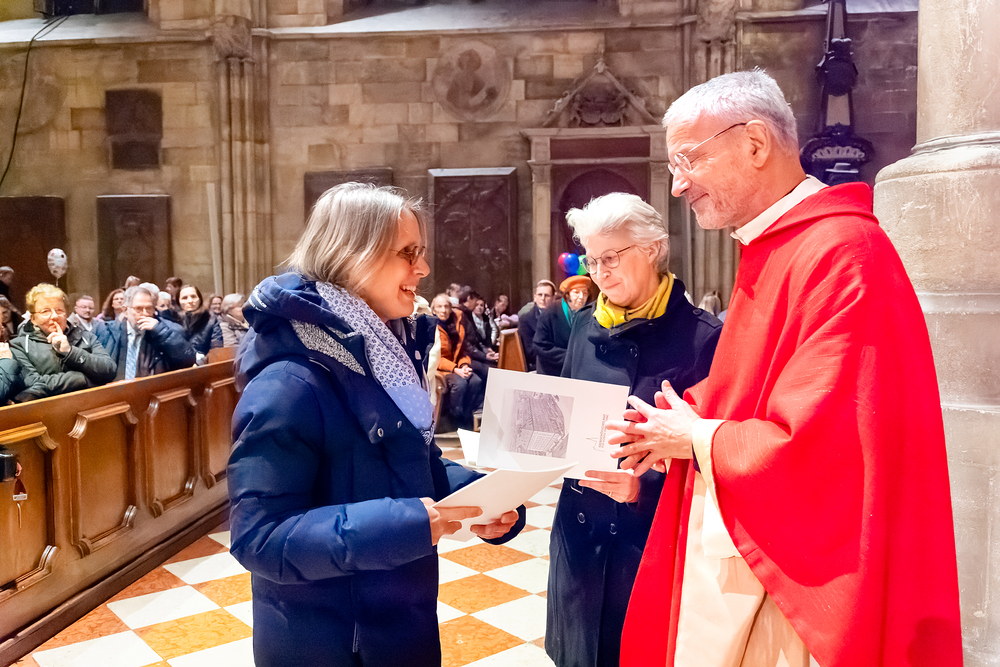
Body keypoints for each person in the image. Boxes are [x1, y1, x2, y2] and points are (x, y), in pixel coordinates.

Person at [607, 70, 961, 667]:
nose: (677, 185)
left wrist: (695, 436)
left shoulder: (842, 253)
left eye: (688, 160)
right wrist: (670, 429)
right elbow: (756, 391)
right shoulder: (778, 245)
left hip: (796, 587)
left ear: (754, 144)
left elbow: (828, 445)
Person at [228, 183, 524, 667]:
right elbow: (260, 537)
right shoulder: (289, 383)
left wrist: (482, 497)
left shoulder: (385, 357)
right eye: (408, 253)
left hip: (399, 621)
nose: (423, 269)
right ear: (352, 255)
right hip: (330, 643)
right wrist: (406, 524)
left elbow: (409, 461)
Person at [544, 194, 721, 667]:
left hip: (648, 545)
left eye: (611, 257)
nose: (599, 273)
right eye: (591, 260)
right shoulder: (584, 325)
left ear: (653, 249)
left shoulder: (703, 338)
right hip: (578, 538)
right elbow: (566, 415)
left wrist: (643, 489)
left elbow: (715, 454)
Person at [8, 284, 116, 402]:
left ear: (66, 314)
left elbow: (109, 370)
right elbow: (31, 384)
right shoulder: (19, 345)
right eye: (45, 311)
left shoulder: (85, 337)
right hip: (48, 410)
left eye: (59, 310)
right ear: (33, 319)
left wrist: (70, 352)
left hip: (91, 406)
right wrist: (81, 378)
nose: (54, 316)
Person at [105, 286, 197, 380]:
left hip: (153, 387)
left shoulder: (167, 329)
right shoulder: (109, 331)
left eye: (148, 308)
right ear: (125, 310)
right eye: (139, 308)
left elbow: (188, 361)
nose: (145, 313)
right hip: (116, 387)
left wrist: (161, 332)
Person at [429, 293, 484, 431]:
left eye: (446, 306)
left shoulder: (456, 323)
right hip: (440, 369)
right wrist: (455, 369)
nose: (443, 310)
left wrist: (464, 365)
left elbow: (462, 350)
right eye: (439, 307)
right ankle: (454, 419)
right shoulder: (430, 326)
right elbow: (434, 357)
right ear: (434, 309)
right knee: (460, 384)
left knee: (476, 381)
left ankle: (467, 417)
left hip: (457, 366)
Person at [533, 275, 593, 376]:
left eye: (585, 292)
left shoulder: (589, 312)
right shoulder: (550, 312)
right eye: (576, 292)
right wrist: (572, 358)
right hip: (552, 371)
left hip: (578, 372)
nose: (581, 297)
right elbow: (540, 345)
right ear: (567, 295)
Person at [517, 279, 555, 371]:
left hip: (558, 362)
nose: (543, 298)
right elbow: (530, 352)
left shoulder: (559, 316)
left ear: (553, 298)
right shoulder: (526, 319)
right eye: (540, 295)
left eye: (547, 295)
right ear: (535, 297)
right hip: (538, 365)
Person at [177, 284, 222, 357]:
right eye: (184, 298)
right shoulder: (174, 319)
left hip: (204, 362)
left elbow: (217, 350)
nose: (190, 301)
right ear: (178, 301)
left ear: (200, 299)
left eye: (193, 296)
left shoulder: (211, 319)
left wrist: (203, 360)